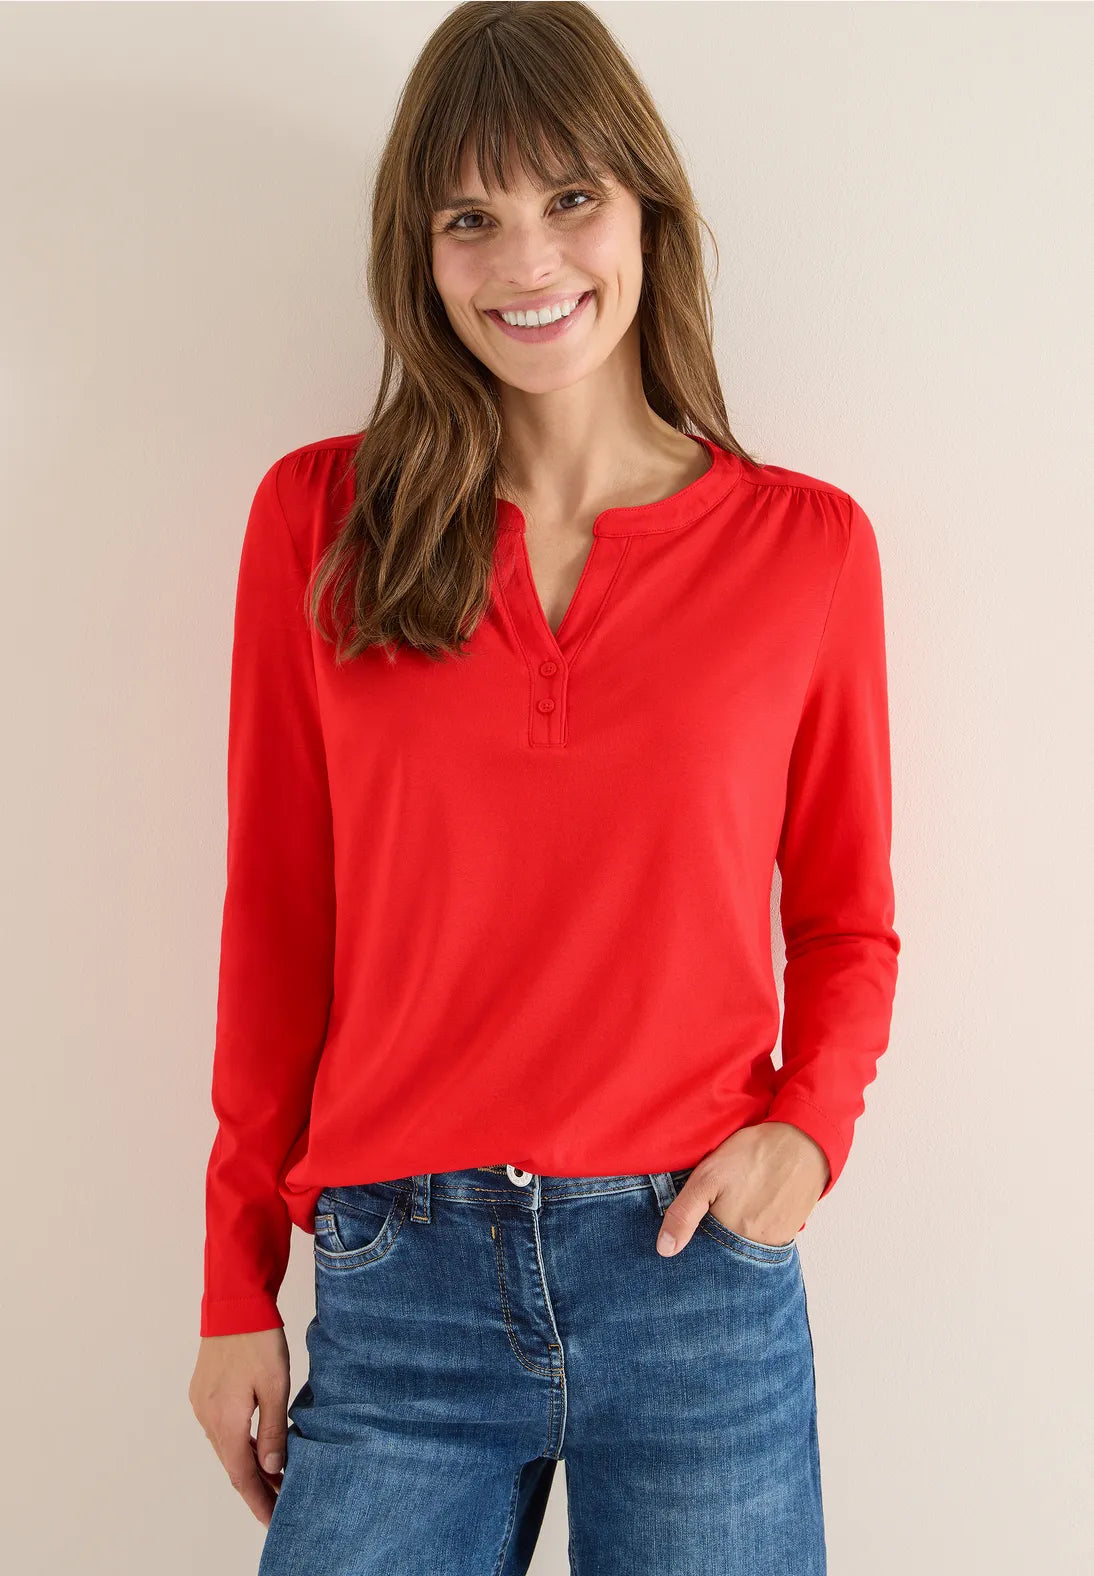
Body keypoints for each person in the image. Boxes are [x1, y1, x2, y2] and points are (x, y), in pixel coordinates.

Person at [189, 4, 900, 1572]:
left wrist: (807, 1131)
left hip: (693, 1275)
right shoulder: (320, 522)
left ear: (645, 208)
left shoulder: (803, 550)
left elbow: (846, 919)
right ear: (419, 252)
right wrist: (235, 1283)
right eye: (470, 218)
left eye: (570, 198)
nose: (527, 260)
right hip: (398, 1285)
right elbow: (278, 922)